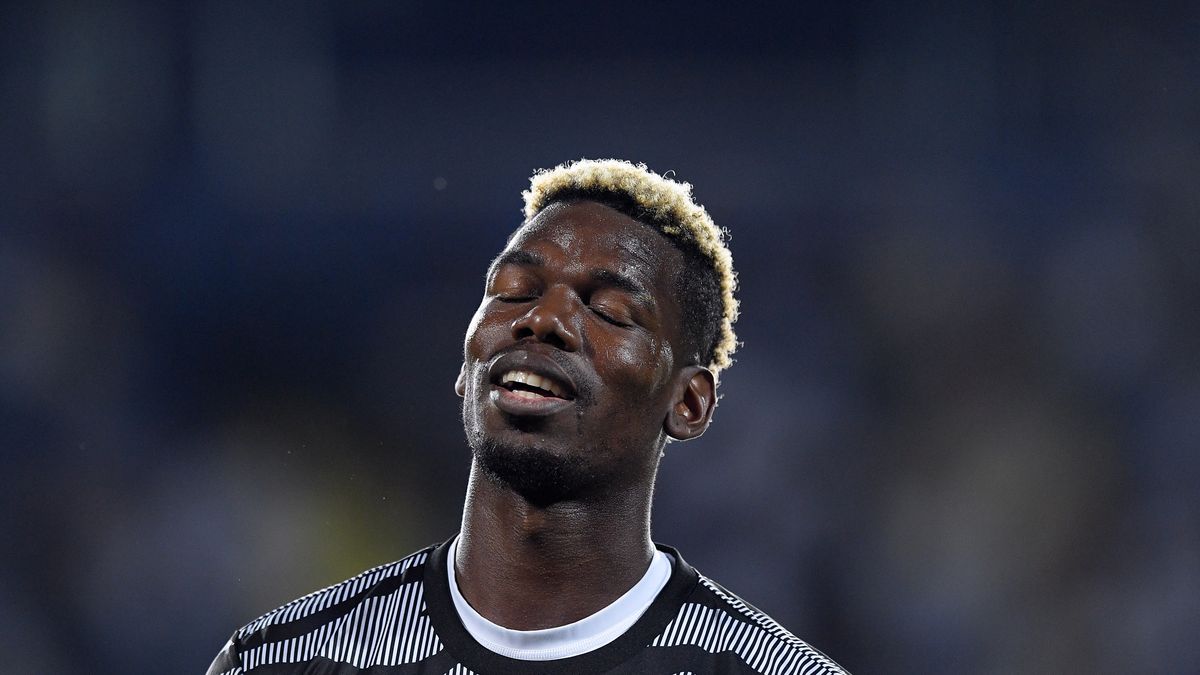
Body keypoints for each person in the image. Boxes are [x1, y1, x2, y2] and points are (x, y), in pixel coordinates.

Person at [206, 159, 848, 675]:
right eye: (513, 292)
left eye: (612, 312)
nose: (542, 320)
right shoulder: (284, 662)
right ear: (464, 366)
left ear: (688, 403)